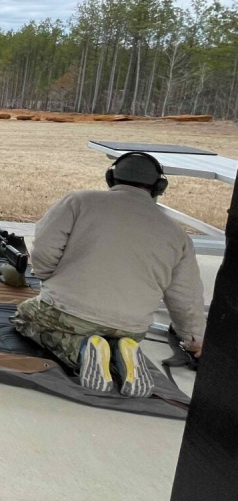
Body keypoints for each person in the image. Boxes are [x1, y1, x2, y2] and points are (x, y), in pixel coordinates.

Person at [13, 151, 206, 398]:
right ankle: (122, 351)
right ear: (159, 187)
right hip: (131, 328)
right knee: (116, 338)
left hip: (67, 312)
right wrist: (194, 339)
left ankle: (82, 351)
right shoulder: (178, 235)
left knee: (25, 318)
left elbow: (43, 249)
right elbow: (186, 296)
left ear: (110, 177)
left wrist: (48, 278)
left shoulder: (78, 201)